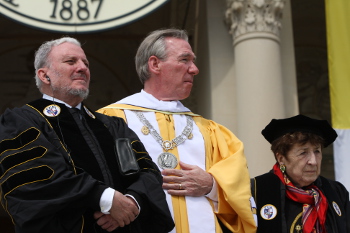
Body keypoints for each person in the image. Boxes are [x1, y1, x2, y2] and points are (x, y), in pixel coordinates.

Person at [0, 37, 174, 233]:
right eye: (71, 61)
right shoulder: (23, 121)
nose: (82, 68)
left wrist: (132, 202)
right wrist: (105, 199)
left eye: (86, 63)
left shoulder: (111, 125)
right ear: (44, 75)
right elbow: (34, 178)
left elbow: (145, 170)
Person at [97, 29, 257, 233]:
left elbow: (239, 183)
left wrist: (212, 185)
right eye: (185, 60)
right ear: (155, 64)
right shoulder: (111, 120)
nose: (195, 69)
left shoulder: (208, 130)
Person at [252, 114, 350, 232]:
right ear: (281, 158)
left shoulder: (336, 191)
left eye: (317, 151)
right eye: (303, 153)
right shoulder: (257, 191)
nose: (313, 161)